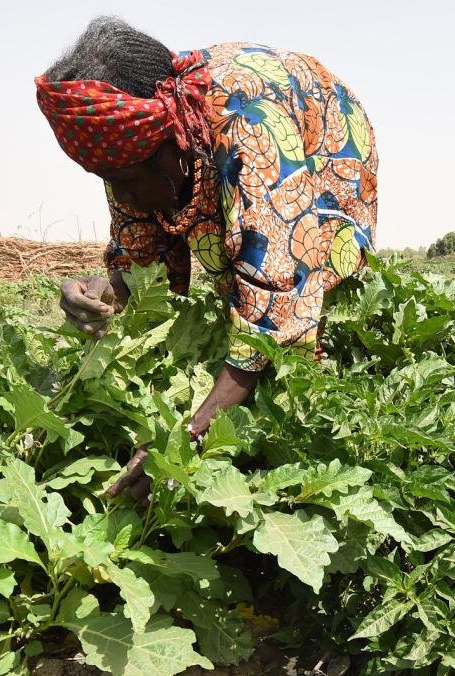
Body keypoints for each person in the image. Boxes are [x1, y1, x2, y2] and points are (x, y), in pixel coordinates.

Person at [35, 17, 378, 500]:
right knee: (234, 281)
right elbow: (139, 258)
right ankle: (241, 385)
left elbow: (275, 297)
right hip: (215, 142)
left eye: (129, 179)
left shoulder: (250, 127)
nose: (125, 195)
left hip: (319, 133)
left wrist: (187, 439)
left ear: (169, 142)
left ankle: (312, 410)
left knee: (301, 285)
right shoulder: (135, 148)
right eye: (109, 180)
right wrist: (99, 289)